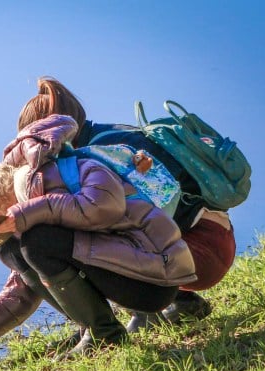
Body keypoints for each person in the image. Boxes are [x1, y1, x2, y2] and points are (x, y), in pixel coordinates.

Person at [0, 114, 196, 371]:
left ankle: (103, 333)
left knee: (37, 242)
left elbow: (107, 204)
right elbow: (23, 289)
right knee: (12, 249)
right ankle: (93, 327)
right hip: (138, 277)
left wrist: (31, 212)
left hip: (155, 278)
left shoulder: (39, 177)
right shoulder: (17, 212)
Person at [17, 76, 237, 334]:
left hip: (199, 252)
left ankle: (142, 313)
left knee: (87, 225)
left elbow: (131, 219)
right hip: (216, 239)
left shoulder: (98, 153)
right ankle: (184, 303)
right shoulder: (108, 135)